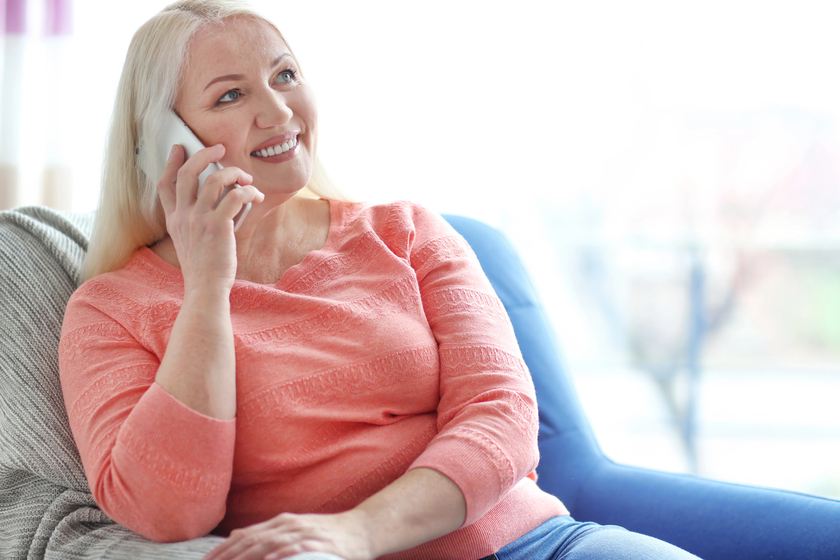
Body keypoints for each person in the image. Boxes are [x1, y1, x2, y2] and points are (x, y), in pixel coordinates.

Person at [58, 1, 702, 559]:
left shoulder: (407, 231)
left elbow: (502, 416)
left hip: (532, 544)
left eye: (285, 75)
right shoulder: (112, 310)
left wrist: (360, 532)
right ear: (167, 142)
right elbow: (169, 513)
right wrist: (205, 289)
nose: (279, 110)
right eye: (231, 94)